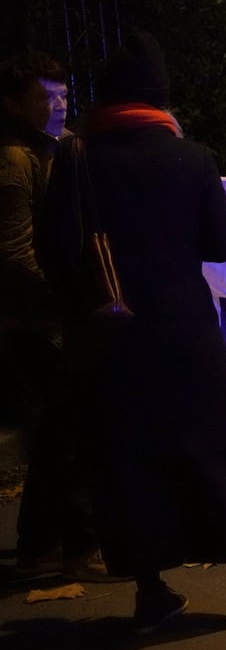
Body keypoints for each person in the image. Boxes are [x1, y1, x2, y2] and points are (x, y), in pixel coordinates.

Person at [37, 31, 226, 631]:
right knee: (213, 452)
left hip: (110, 340)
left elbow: (53, 249)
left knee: (126, 458)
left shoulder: (76, 160)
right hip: (183, 333)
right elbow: (224, 243)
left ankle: (150, 592)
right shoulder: (189, 158)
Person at [3, 51, 105, 580]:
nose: (60, 104)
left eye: (64, 93)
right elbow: (15, 254)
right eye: (46, 95)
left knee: (63, 434)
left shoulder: (56, 151)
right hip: (37, 325)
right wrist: (69, 301)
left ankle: (52, 546)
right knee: (64, 435)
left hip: (59, 319)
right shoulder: (16, 162)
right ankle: (58, 548)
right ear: (15, 103)